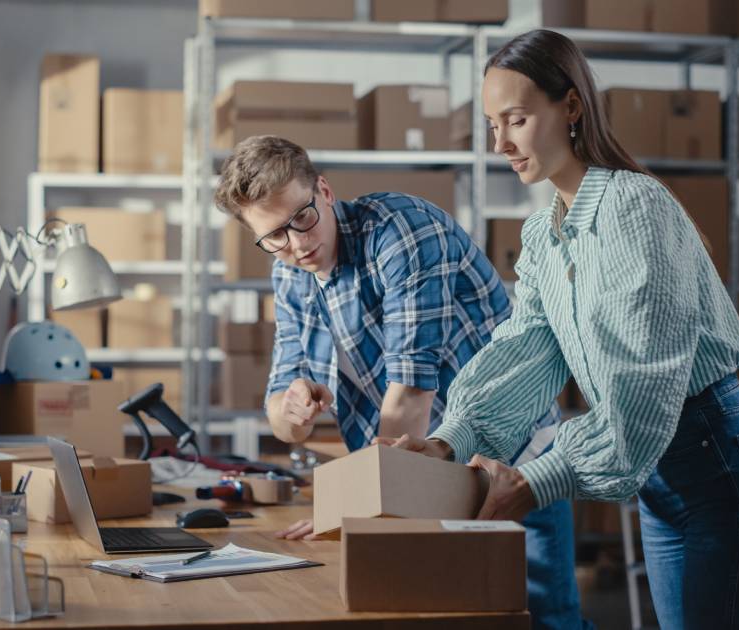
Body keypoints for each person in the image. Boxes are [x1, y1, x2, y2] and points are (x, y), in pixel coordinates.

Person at [380, 29, 739, 629]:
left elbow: (642, 390)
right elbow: (524, 355)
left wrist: (536, 481)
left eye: (516, 120)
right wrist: (448, 442)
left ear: (570, 106)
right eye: (492, 125)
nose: (500, 143)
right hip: (662, 489)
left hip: (720, 479)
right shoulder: (545, 234)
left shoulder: (634, 207)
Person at [213, 134, 588, 629]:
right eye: (274, 236)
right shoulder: (290, 276)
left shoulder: (400, 232)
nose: (297, 243)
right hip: (417, 473)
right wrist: (292, 408)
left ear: (323, 190)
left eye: (302, 218)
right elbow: (283, 417)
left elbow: (411, 393)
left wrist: (353, 510)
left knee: (543, 620)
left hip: (508, 460)